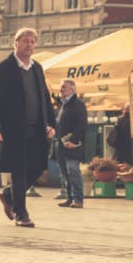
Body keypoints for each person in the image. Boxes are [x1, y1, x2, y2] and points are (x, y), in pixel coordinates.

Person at [0, 27, 54, 228]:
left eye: (33, 41)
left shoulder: (37, 68)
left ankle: (8, 195)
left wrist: (51, 122)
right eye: (25, 41)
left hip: (36, 128)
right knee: (19, 170)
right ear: (15, 43)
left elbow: (45, 98)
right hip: (12, 130)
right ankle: (21, 214)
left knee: (38, 167)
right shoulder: (2, 69)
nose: (29, 45)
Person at [53, 79, 87, 209]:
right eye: (61, 87)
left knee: (73, 171)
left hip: (72, 145)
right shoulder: (63, 105)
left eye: (64, 88)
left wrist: (74, 141)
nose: (61, 90)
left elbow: (81, 125)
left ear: (72, 90)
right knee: (64, 173)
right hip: (61, 144)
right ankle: (69, 198)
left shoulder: (78, 105)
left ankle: (78, 199)